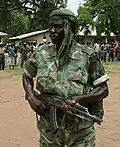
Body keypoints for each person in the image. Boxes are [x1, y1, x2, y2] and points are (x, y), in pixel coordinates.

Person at [22, 8, 109, 147]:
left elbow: (103, 88)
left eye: (57, 26)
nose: (52, 30)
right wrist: (31, 97)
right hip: (49, 130)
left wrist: (80, 100)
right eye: (50, 26)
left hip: (79, 131)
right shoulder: (41, 53)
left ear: (69, 28)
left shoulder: (87, 55)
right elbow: (27, 75)